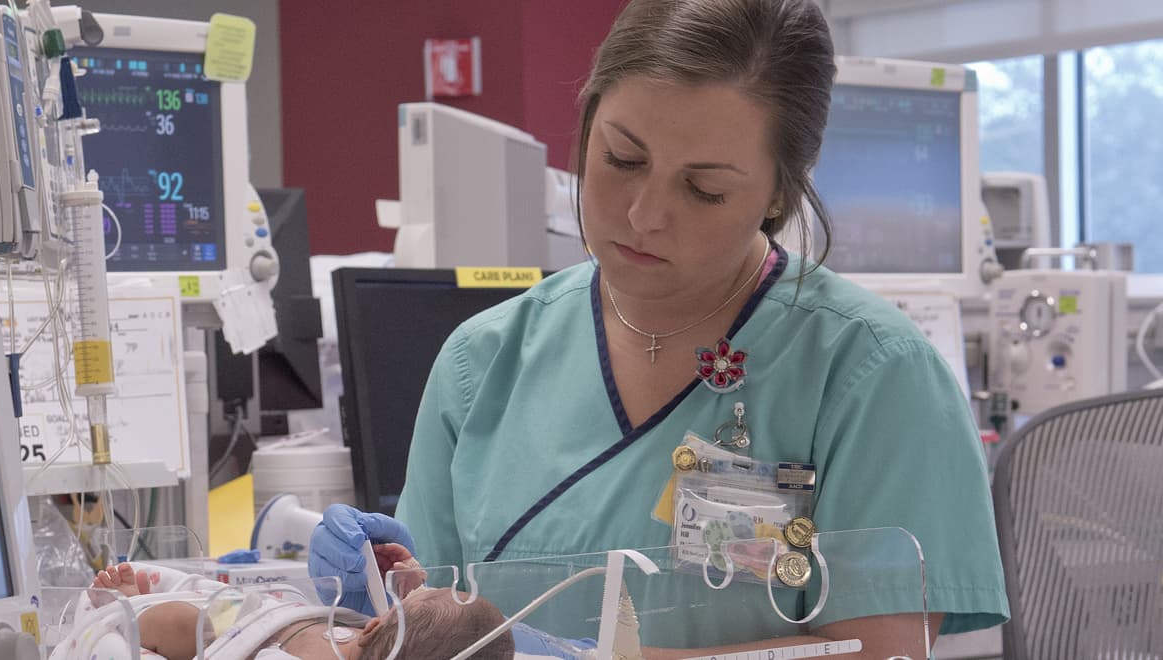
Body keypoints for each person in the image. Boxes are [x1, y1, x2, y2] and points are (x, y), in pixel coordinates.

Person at [311, 0, 1009, 656]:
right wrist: (375, 590)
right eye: (622, 159)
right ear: (585, 128)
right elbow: (430, 615)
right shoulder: (484, 362)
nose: (644, 214)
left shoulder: (871, 375)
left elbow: (879, 652)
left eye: (704, 190)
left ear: (779, 193)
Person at [88, 561, 514, 659]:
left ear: (376, 626)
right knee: (206, 604)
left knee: (183, 619)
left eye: (412, 595)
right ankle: (135, 607)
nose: (409, 587)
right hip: (271, 614)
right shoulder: (360, 636)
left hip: (241, 632)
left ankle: (131, 615)